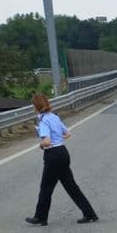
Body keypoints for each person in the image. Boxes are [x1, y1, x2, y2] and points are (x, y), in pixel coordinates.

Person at [25, 93, 98, 226]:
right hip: (63, 152)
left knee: (46, 187)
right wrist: (58, 140)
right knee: (71, 186)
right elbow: (67, 133)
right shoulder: (54, 117)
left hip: (52, 154)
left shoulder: (43, 120)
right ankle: (89, 213)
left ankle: (40, 217)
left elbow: (46, 141)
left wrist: (41, 145)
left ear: (35, 106)